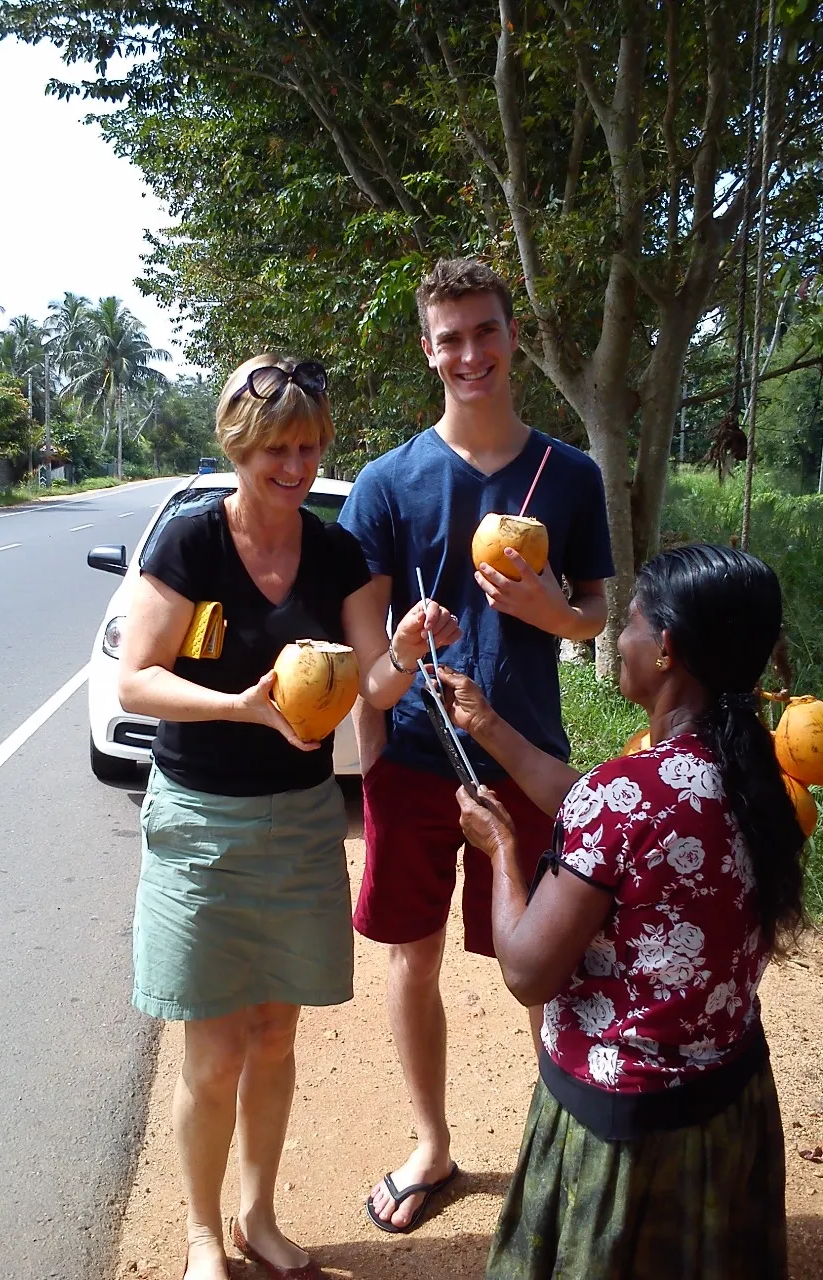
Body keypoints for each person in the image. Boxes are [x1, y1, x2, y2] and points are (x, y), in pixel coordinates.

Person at [118, 354, 459, 1280]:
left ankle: (256, 1216)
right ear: (239, 442)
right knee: (216, 1047)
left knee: (275, 1035)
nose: (296, 465)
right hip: (201, 829)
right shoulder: (191, 542)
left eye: (309, 446)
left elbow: (375, 685)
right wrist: (240, 707)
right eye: (278, 447)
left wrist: (406, 644)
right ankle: (199, 1236)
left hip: (304, 823)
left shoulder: (338, 550)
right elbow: (135, 678)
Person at [338, 257, 614, 1232]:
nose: (469, 353)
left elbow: (596, 616)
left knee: (543, 967)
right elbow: (366, 672)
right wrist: (404, 651)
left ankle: (560, 1143)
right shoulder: (385, 484)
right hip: (415, 762)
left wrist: (551, 609)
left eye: (484, 331)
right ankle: (432, 1143)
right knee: (410, 960)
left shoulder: (570, 476)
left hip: (529, 756)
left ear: (511, 336)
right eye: (449, 337)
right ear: (427, 349)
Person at [444, 543, 805, 1279]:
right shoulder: (754, 766)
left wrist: (503, 852)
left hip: (628, 1131)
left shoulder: (629, 794)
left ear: (666, 650)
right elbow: (612, 817)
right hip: (730, 1096)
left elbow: (528, 971)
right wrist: (487, 727)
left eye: (633, 623)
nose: (623, 638)